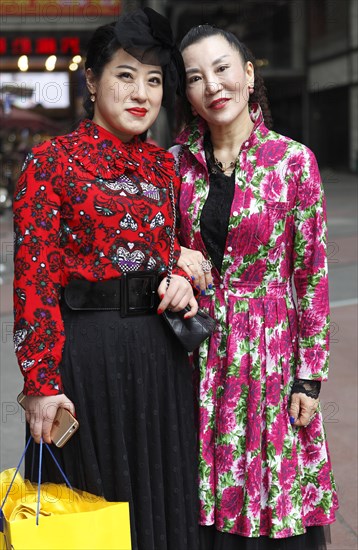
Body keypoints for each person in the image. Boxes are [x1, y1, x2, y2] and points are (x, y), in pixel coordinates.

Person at [13, 9, 200, 550]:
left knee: (161, 504)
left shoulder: (164, 169)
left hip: (159, 359)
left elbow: (172, 257)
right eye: (125, 74)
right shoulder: (50, 163)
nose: (141, 92)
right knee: (91, 509)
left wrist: (185, 276)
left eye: (155, 79)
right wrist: (41, 385)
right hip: (86, 360)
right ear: (92, 80)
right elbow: (34, 279)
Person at [171, 24, 339, 550]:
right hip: (195, 353)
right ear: (188, 93)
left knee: (274, 485)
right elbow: (149, 248)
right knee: (201, 488)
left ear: (247, 74)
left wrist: (310, 377)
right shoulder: (175, 167)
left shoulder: (293, 161)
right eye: (196, 77)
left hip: (272, 352)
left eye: (222, 69)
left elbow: (311, 274)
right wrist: (175, 259)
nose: (212, 86)